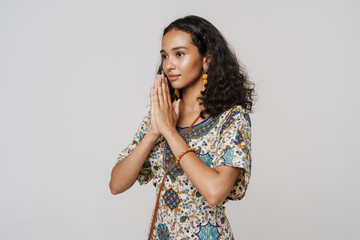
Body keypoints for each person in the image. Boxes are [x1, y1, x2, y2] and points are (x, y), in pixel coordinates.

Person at [109, 15, 255, 240]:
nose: (169, 64)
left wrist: (169, 131)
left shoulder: (231, 118)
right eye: (165, 56)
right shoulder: (161, 114)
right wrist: (154, 132)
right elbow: (116, 184)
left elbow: (215, 192)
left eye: (180, 54)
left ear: (207, 59)